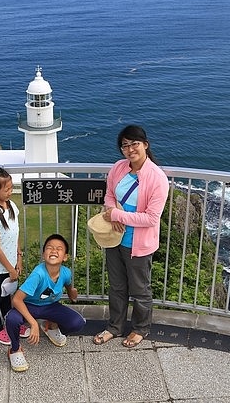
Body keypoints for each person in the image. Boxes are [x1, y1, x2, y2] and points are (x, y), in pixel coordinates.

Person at [92, 125, 169, 348]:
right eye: (125, 145)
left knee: (139, 289)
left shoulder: (157, 178)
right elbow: (108, 194)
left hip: (138, 244)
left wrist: (118, 215)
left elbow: (151, 218)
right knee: (116, 286)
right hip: (114, 239)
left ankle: (140, 329)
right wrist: (111, 213)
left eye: (134, 143)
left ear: (145, 145)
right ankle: (114, 327)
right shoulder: (118, 168)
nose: (130, 149)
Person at [4, 234, 86, 372]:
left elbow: (68, 284)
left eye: (59, 249)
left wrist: (72, 292)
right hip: (29, 306)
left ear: (65, 257)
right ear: (43, 255)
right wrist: (33, 323)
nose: (54, 251)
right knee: (12, 319)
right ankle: (15, 349)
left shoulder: (66, 272)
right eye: (49, 248)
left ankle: (51, 325)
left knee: (77, 323)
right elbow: (16, 299)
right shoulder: (38, 274)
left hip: (50, 307)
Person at [0, 167, 30, 344]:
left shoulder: (11, 207)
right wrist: (11, 269)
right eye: (7, 189)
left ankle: (11, 324)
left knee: (7, 295)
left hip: (11, 262)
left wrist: (19, 257)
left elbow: (15, 233)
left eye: (11, 187)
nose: (11, 191)